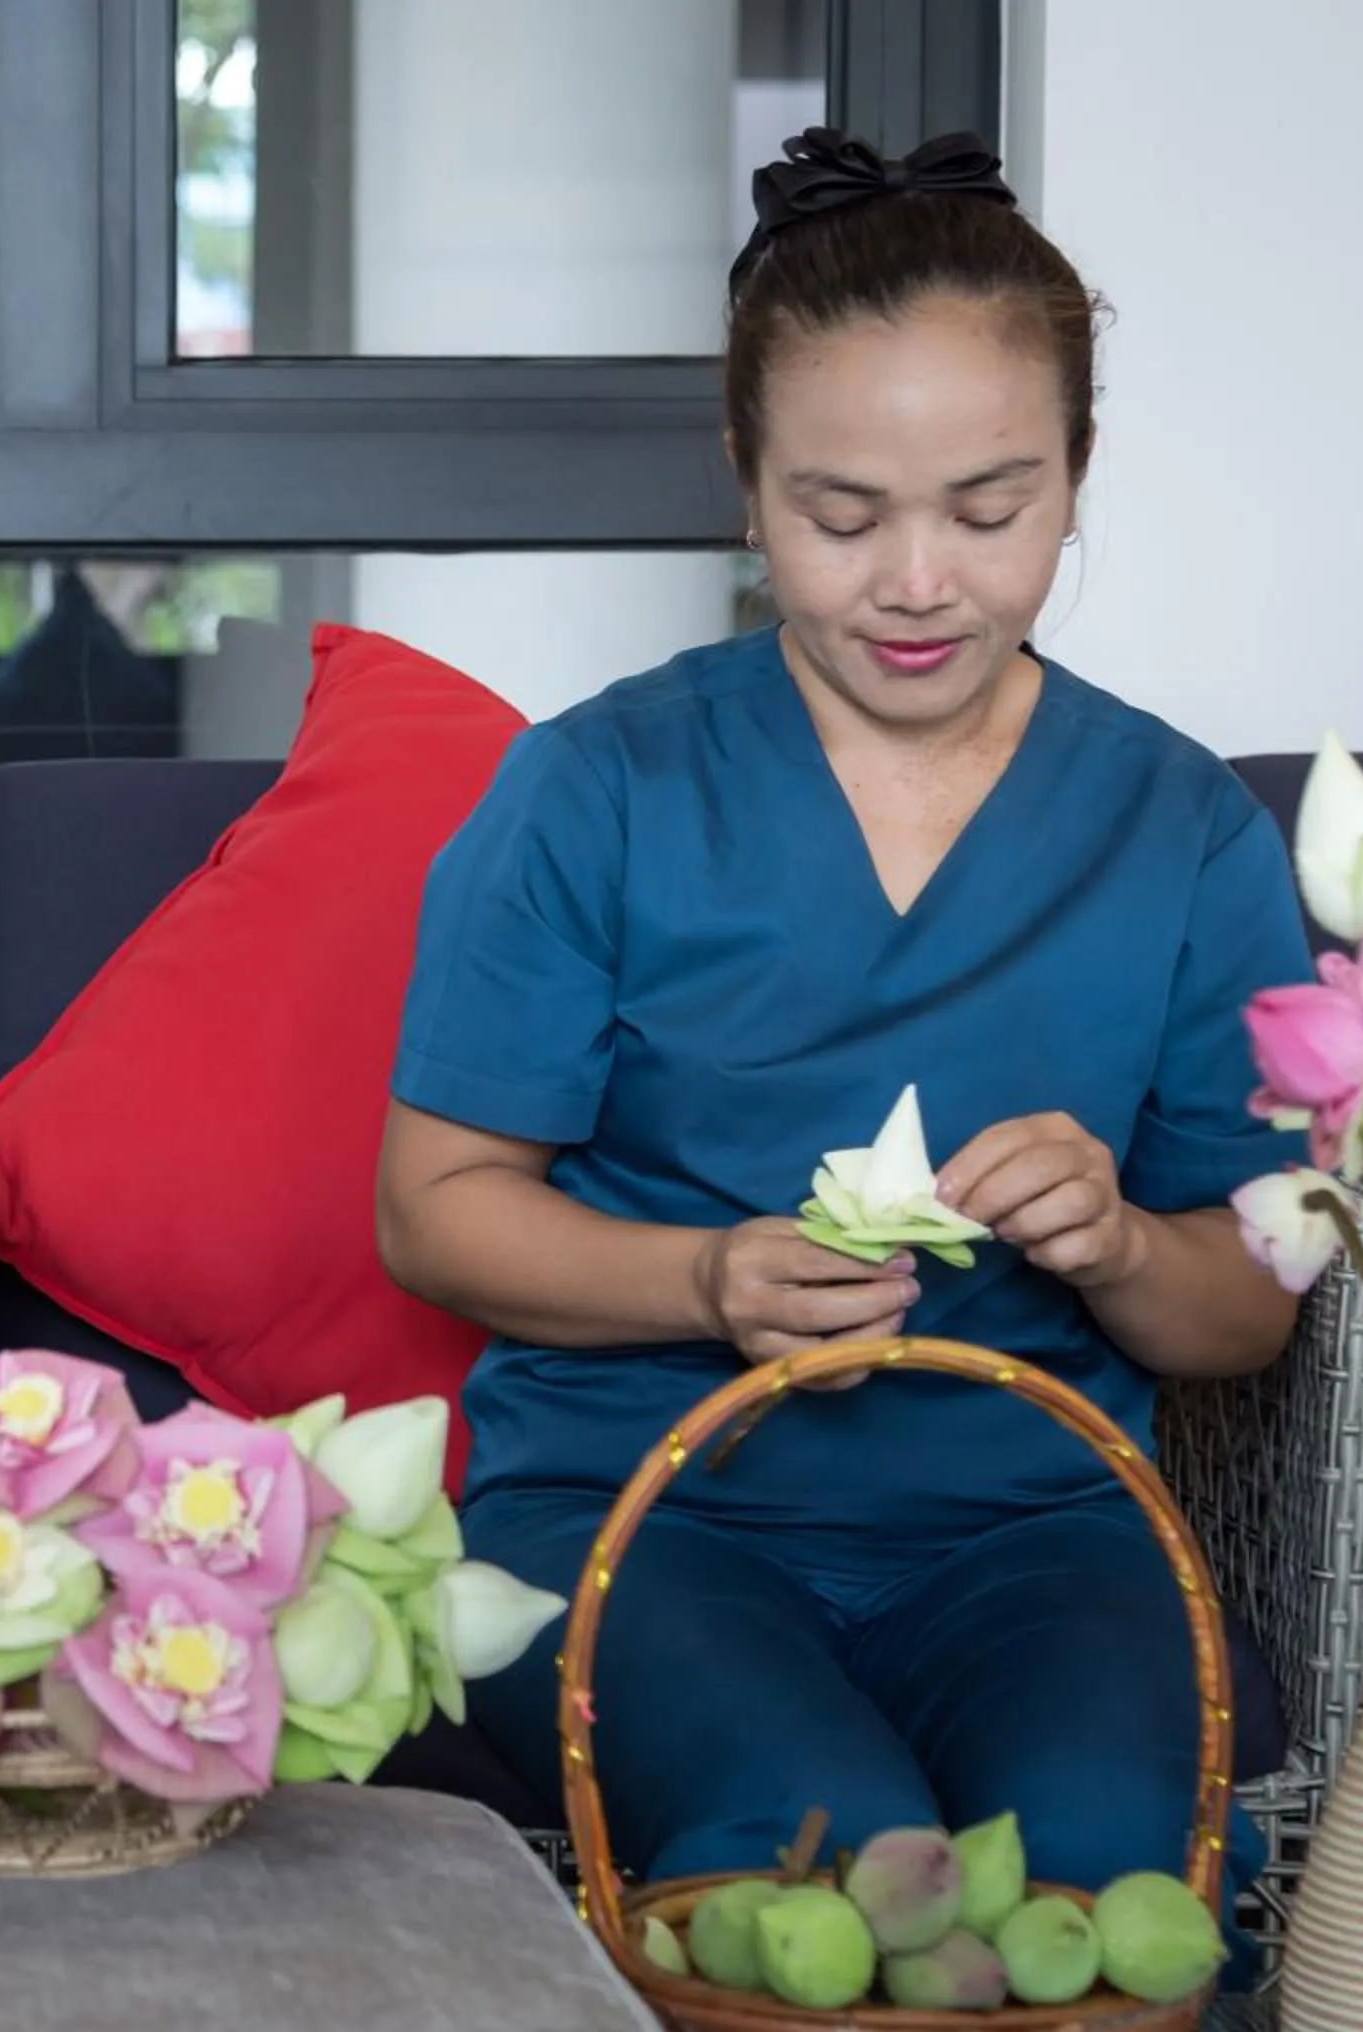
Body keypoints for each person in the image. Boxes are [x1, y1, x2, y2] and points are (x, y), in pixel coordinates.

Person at [374, 128, 1311, 1950]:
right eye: (843, 513)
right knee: (833, 1868)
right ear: (745, 482)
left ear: (1076, 477)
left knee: (1103, 1887)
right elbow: (435, 1209)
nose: (918, 581)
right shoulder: (594, 788)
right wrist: (706, 1277)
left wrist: (1123, 1244)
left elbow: (1247, 1312)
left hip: (1040, 1528)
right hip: (638, 1514)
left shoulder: (1184, 829)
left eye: (989, 509)